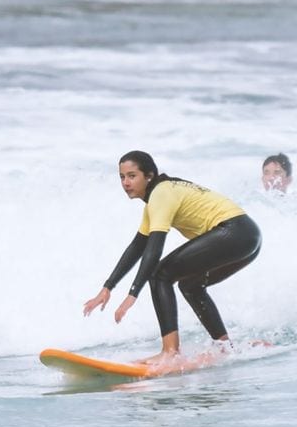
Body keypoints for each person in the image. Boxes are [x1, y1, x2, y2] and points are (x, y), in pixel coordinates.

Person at [83, 151, 262, 365]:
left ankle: (170, 352)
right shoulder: (158, 198)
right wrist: (108, 287)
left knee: (160, 275)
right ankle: (224, 346)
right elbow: (138, 246)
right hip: (247, 236)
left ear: (148, 176)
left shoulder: (161, 194)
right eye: (122, 177)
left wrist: (133, 294)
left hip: (234, 231)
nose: (126, 183)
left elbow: (155, 248)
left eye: (132, 176)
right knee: (190, 285)